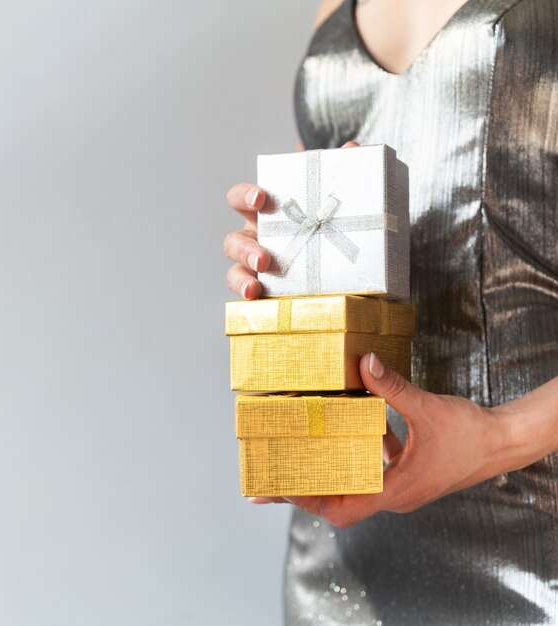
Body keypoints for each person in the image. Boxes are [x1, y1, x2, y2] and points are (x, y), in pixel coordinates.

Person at [223, 0, 558, 624]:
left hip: (535, 528)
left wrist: (500, 437)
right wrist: (278, 256)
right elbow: (321, 211)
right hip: (346, 540)